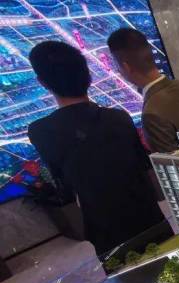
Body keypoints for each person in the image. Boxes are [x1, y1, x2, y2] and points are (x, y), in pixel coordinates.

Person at [27, 41, 165, 255]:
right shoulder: (119, 118)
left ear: (43, 82)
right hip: (151, 220)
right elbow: (143, 167)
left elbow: (64, 184)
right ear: (86, 74)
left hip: (107, 232)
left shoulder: (41, 132)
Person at [107, 28, 179, 154]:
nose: (118, 71)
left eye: (117, 66)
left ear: (126, 67)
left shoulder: (151, 113)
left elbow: (171, 164)